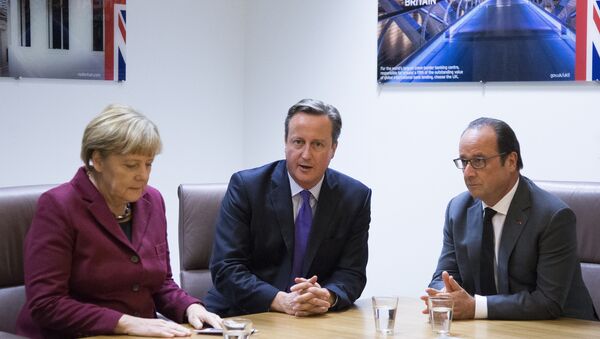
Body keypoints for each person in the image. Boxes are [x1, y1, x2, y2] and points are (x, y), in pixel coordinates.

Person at [17, 105, 222, 338]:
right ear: (98, 160)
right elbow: (46, 303)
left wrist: (189, 307)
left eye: (149, 163)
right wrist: (125, 323)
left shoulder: (152, 201)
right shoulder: (58, 206)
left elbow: (160, 283)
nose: (143, 175)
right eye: (131, 165)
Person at [204, 98, 371, 317]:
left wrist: (327, 297)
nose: (306, 154)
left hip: (312, 321)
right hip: (243, 316)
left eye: (318, 144)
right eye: (298, 142)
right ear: (285, 142)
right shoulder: (247, 187)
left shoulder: (355, 197)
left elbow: (352, 272)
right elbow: (226, 268)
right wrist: (280, 300)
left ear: (333, 149)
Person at [422, 117, 596, 320]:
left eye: (478, 161)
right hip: (491, 327)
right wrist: (445, 295)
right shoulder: (458, 210)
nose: (468, 173)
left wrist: (474, 307)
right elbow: (444, 274)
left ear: (511, 161)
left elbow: (548, 301)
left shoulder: (553, 217)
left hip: (561, 327)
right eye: (464, 161)